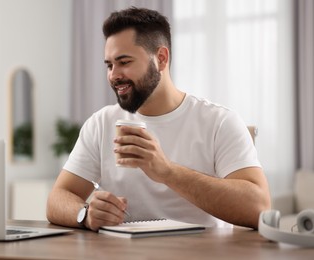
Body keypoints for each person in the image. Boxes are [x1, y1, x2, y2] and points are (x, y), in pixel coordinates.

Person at [46, 7, 271, 231]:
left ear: (161, 59)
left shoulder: (219, 122)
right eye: (109, 65)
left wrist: (167, 172)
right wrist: (85, 214)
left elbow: (259, 207)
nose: (114, 75)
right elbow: (57, 198)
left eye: (124, 62)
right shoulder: (101, 123)